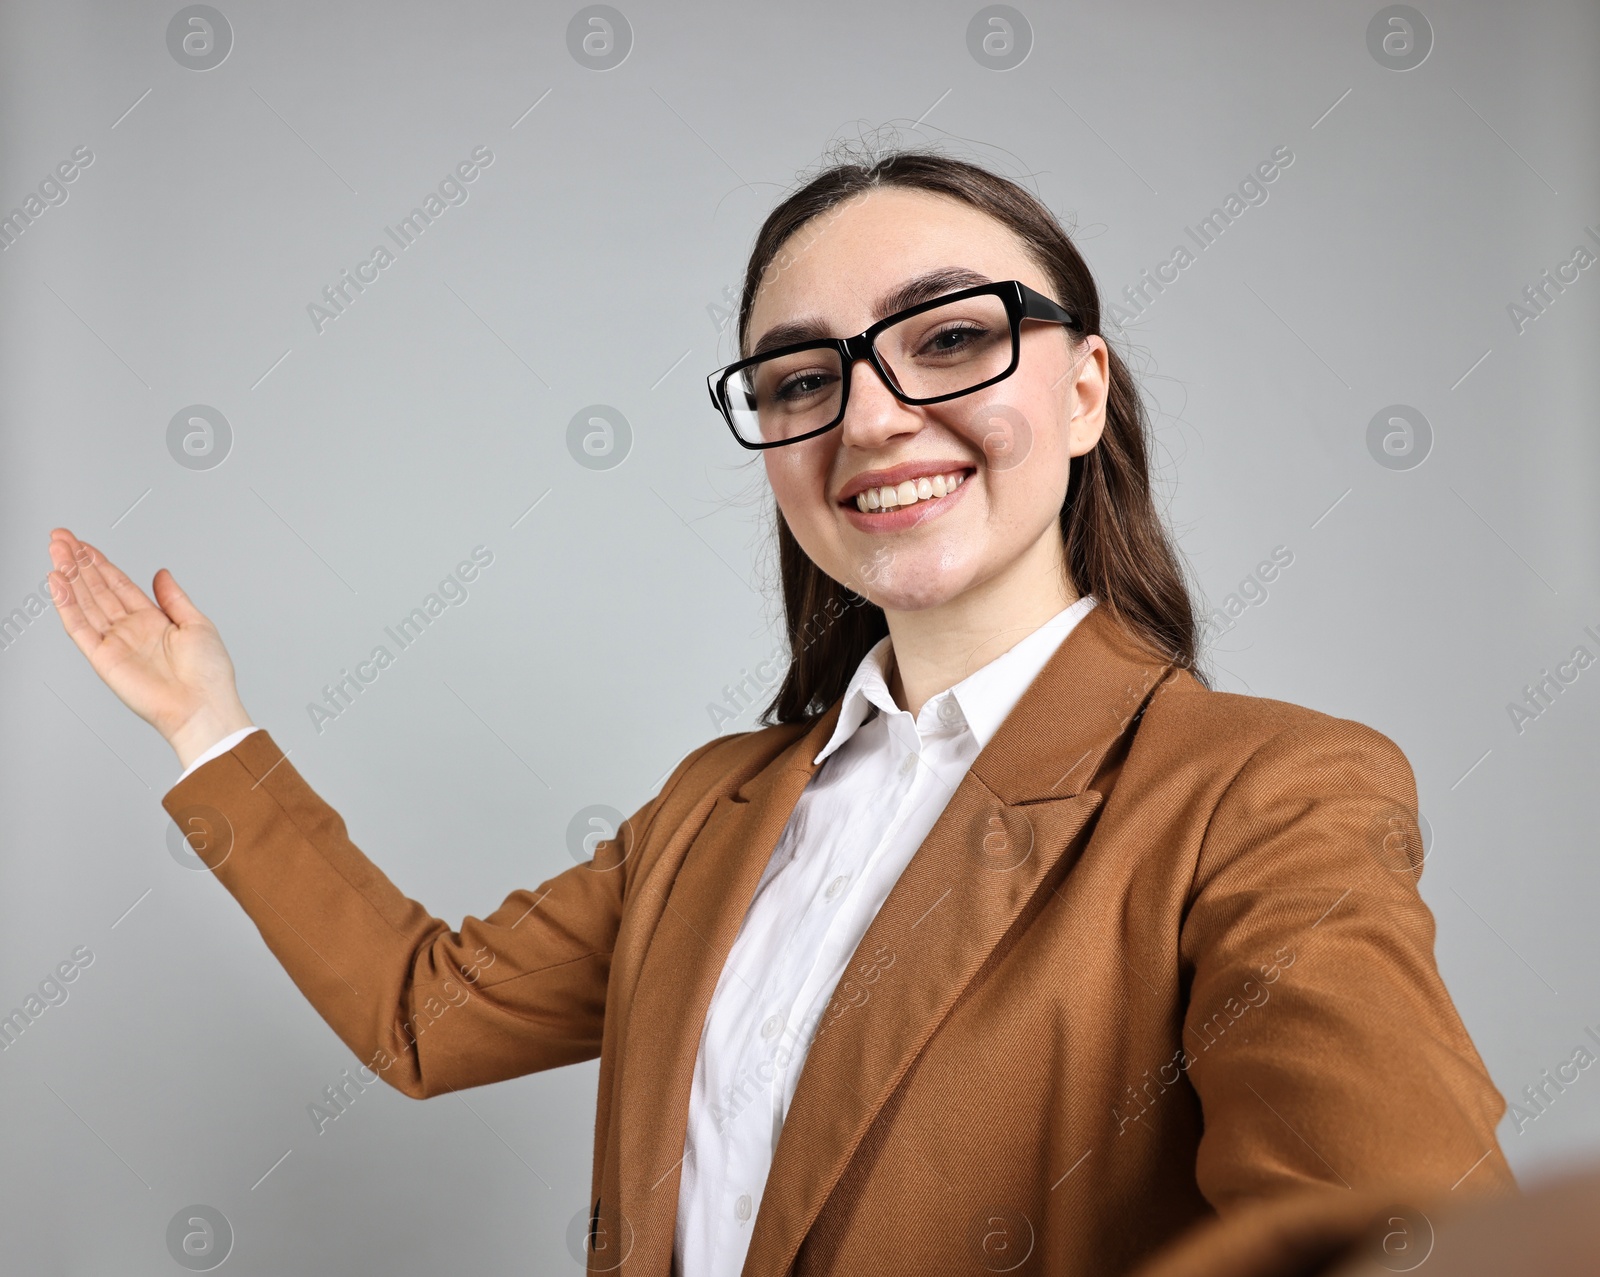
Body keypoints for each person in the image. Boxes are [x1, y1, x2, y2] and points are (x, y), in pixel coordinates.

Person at [47, 148, 1515, 1276]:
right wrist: (208, 728)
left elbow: (1400, 1237)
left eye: (948, 338)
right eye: (804, 377)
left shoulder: (1261, 793)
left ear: (1083, 390)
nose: (871, 416)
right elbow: (425, 1015)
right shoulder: (714, 807)